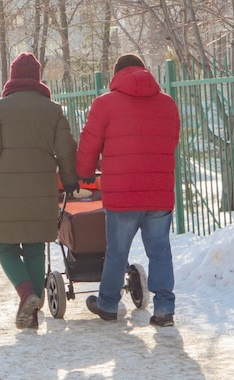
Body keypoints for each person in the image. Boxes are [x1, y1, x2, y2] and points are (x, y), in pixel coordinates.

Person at [0, 52, 79, 330]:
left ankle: (25, 295)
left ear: (12, 76)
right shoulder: (53, 109)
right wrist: (69, 180)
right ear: (37, 77)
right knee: (34, 247)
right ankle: (31, 312)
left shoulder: (0, 107)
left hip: (6, 191)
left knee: (5, 247)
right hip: (42, 189)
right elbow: (66, 150)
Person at [76, 53, 181, 327]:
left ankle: (109, 304)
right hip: (159, 193)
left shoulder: (105, 104)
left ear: (116, 74)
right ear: (145, 71)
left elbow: (89, 143)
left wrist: (84, 172)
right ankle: (164, 310)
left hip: (122, 194)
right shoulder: (168, 104)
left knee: (117, 252)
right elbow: (171, 141)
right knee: (160, 251)